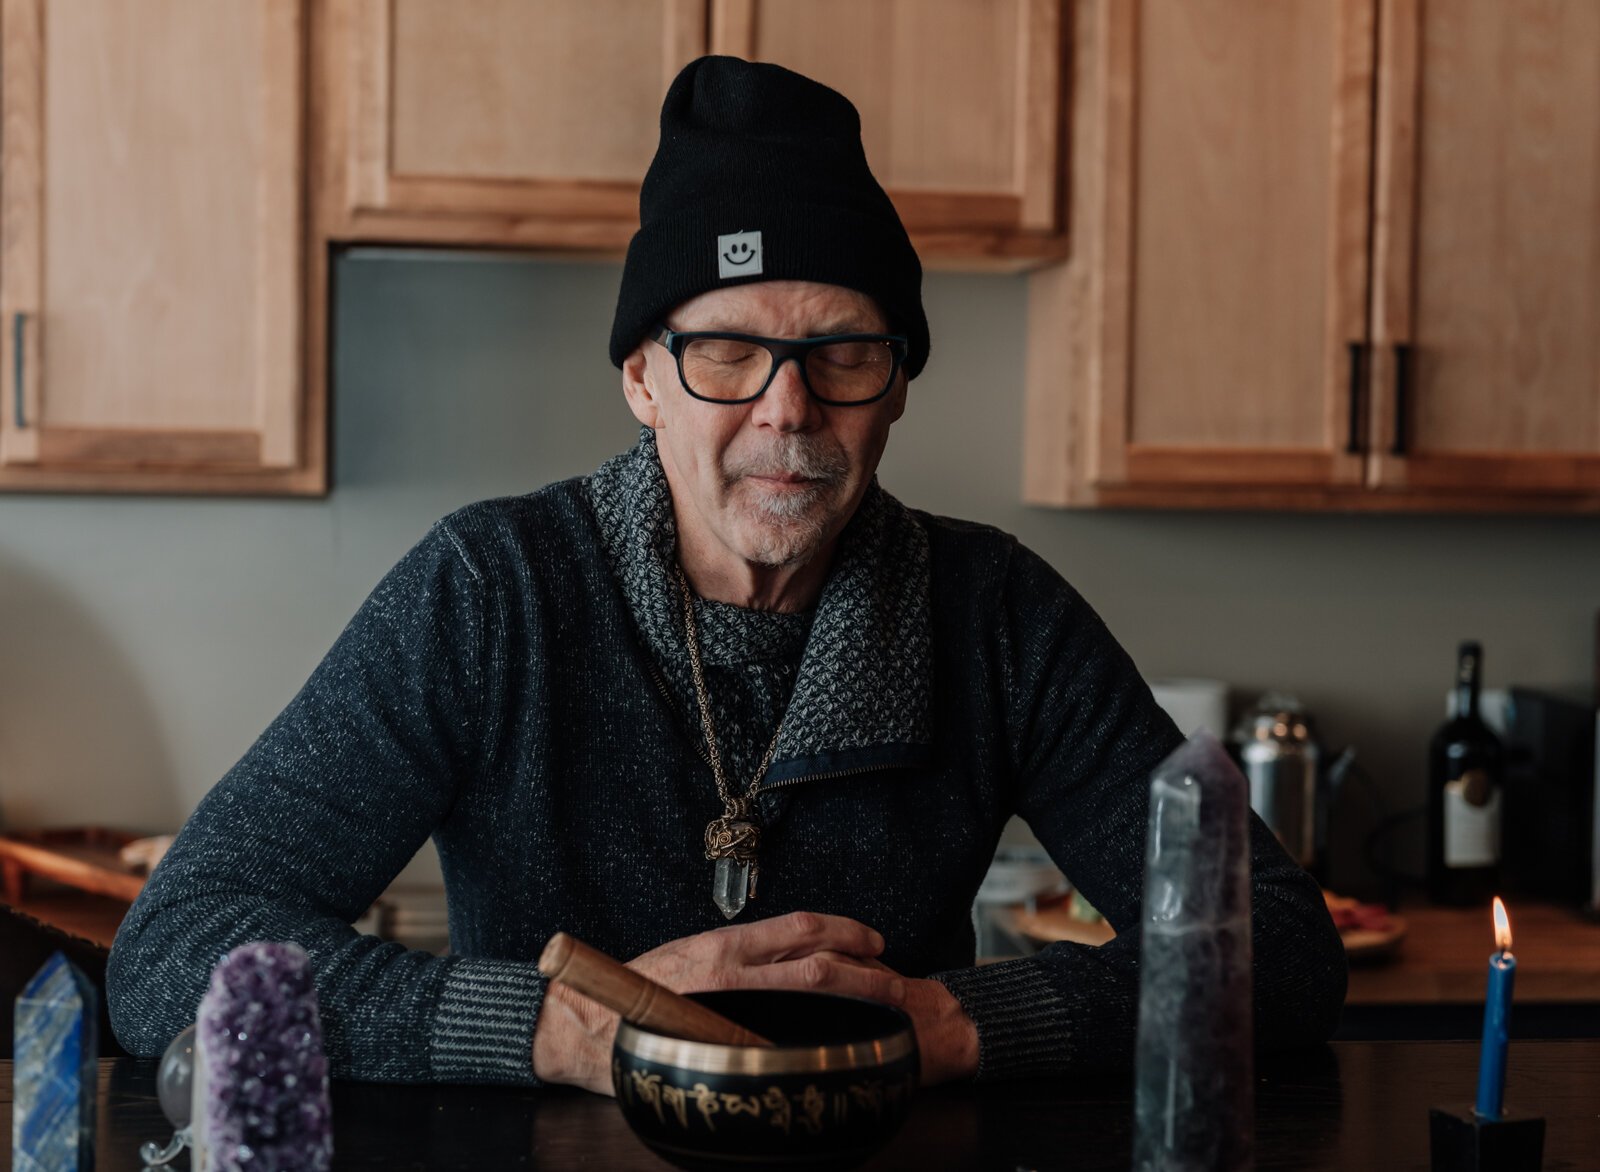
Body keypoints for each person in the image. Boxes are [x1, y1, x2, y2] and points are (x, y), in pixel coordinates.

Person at [107, 57, 1345, 1092]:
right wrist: (571, 1027)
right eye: (726, 352)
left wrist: (953, 1021)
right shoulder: (492, 591)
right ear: (642, 378)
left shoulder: (997, 614)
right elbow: (172, 949)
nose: (786, 409)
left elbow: (1279, 952)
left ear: (897, 383)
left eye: (841, 352)